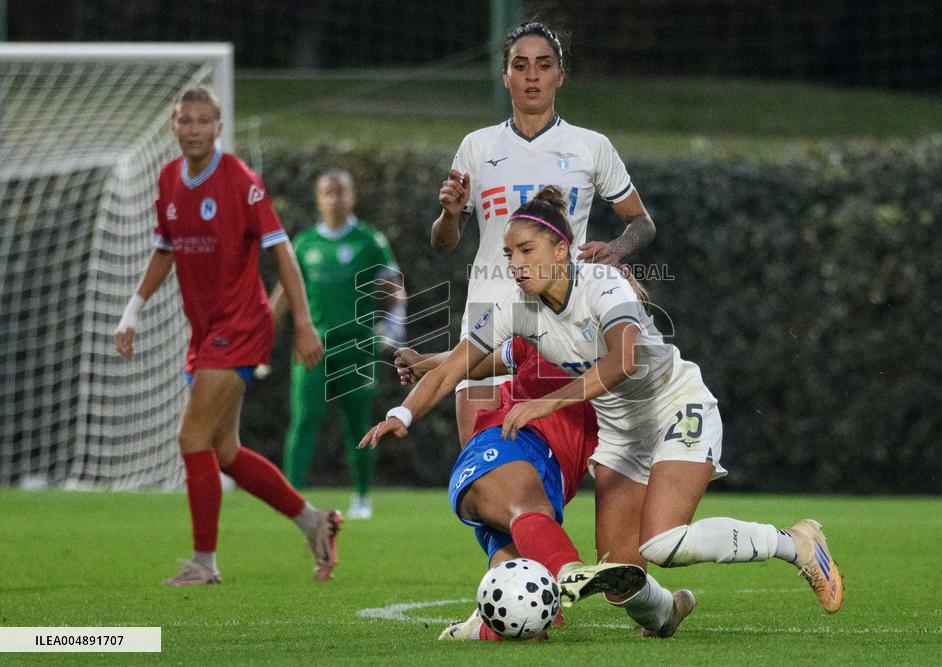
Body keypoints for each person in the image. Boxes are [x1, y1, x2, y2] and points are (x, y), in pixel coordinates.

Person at [366, 187, 844, 637]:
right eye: (510, 254)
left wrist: (548, 401)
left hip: (675, 404)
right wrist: (401, 414)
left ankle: (795, 543)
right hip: (620, 433)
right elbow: (454, 368)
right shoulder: (516, 308)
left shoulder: (602, 283)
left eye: (527, 251)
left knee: (664, 543)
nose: (515, 264)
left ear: (561, 250)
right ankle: (667, 614)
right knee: (621, 578)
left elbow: (625, 360)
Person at [114, 86, 342, 586]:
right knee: (224, 452)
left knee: (190, 437)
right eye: (184, 120)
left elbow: (282, 251)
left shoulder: (239, 180)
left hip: (241, 325)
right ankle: (315, 522)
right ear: (174, 127)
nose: (193, 128)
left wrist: (302, 323)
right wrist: (132, 310)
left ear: (218, 128)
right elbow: (164, 248)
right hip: (205, 331)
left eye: (203, 121)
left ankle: (204, 562)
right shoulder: (170, 178)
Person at [430, 21, 656, 448]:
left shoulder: (591, 146)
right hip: (485, 313)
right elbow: (444, 243)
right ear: (505, 77)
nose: (532, 75)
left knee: (551, 472)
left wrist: (617, 248)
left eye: (543, 65)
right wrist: (450, 215)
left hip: (561, 326)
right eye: (520, 65)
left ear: (560, 75)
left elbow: (642, 222)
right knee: (479, 470)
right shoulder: (477, 147)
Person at [387, 336, 657, 642]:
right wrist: (419, 366)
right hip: (507, 440)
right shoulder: (543, 334)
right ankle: (570, 571)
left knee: (527, 620)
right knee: (527, 508)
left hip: (553, 481)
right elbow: (476, 362)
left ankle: (482, 629)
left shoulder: (630, 369)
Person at [263, 168, 406, 519]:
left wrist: (395, 321)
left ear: (352, 196)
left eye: (341, 191)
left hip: (357, 346)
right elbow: (284, 293)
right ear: (318, 199)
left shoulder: (369, 241)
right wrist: (261, 335)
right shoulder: (304, 243)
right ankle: (290, 498)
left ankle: (361, 498)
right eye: (328, 192)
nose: (335, 198)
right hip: (313, 347)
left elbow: (394, 288)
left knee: (358, 423)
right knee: (304, 419)